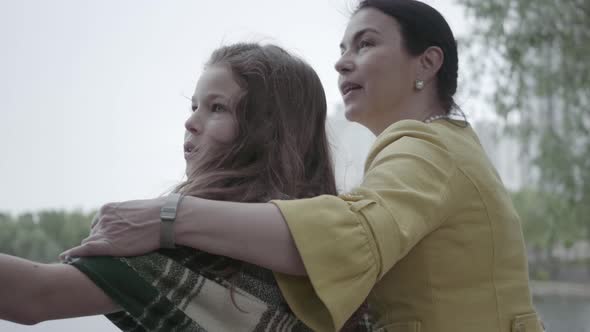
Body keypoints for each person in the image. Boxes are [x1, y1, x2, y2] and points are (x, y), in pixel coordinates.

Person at [61, 1, 546, 331]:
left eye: (366, 44)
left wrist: (166, 217)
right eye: (340, 50)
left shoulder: (428, 148)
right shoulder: (447, 147)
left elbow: (350, 236)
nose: (341, 63)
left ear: (426, 64)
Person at [0, 42, 369, 331]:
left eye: (217, 108)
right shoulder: (321, 248)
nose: (191, 122)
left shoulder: (203, 241)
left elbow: (34, 296)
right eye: (194, 106)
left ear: (267, 130)